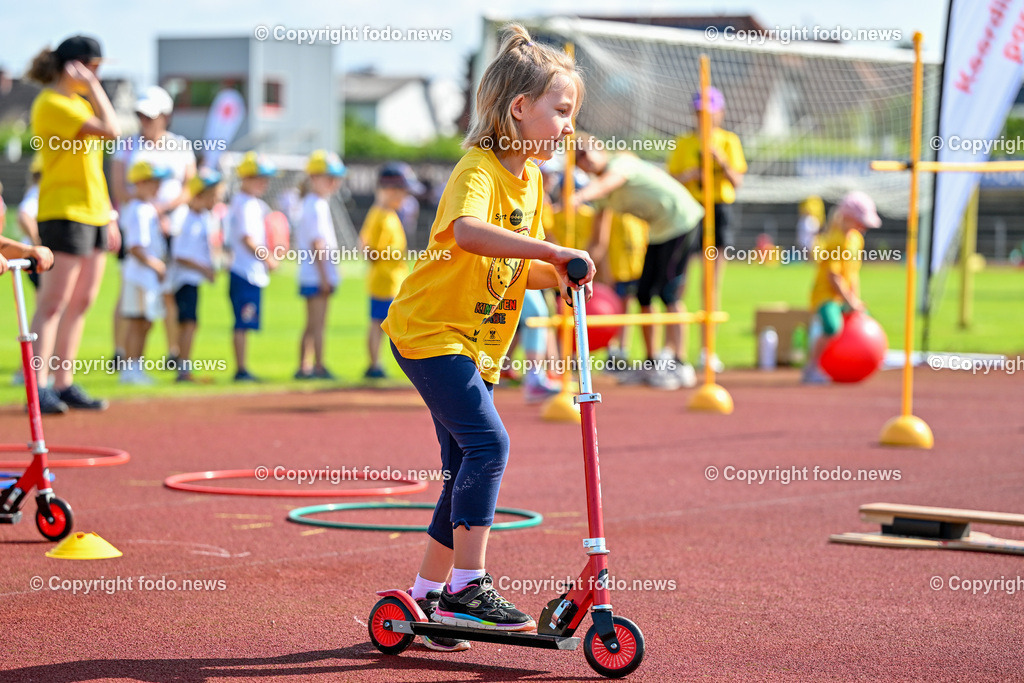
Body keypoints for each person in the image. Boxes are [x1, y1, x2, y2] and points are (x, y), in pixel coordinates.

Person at [382, 24, 593, 646]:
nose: (567, 127)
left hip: (476, 344)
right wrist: (555, 248)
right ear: (518, 109)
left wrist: (552, 274)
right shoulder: (478, 169)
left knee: (462, 466)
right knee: (489, 447)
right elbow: (470, 233)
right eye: (560, 111)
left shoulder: (532, 180)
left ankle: (426, 599)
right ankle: (468, 588)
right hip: (431, 332)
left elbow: (507, 264)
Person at [27, 35, 122, 414]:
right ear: (75, 66)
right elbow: (113, 131)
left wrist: (109, 214)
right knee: (53, 302)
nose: (95, 76)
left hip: (94, 212)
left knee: (82, 301)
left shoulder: (78, 104)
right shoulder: (52, 103)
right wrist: (96, 87)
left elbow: (95, 166)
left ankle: (64, 382)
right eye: (93, 67)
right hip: (64, 211)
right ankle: (39, 385)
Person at [573, 134, 705, 390]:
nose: (584, 161)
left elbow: (609, 183)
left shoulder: (621, 163)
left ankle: (679, 361)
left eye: (585, 153)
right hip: (657, 231)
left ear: (599, 148)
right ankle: (653, 360)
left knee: (669, 293)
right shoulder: (601, 192)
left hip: (681, 220)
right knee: (644, 294)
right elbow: (598, 240)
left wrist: (578, 197)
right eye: (578, 159)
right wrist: (579, 264)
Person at [112, 85, 197, 365]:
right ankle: (123, 354)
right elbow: (120, 191)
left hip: (172, 230)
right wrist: (148, 207)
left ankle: (172, 352)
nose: (145, 122)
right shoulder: (126, 145)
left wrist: (164, 209)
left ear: (166, 116)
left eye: (151, 116)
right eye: (142, 116)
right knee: (131, 293)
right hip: (139, 231)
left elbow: (189, 188)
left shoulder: (181, 145)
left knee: (168, 293)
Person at [667, 86, 747, 373]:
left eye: (708, 113)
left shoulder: (729, 141)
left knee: (711, 284)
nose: (703, 118)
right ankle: (674, 350)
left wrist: (719, 160)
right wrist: (691, 174)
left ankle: (707, 350)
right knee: (679, 281)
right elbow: (671, 180)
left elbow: (737, 181)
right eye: (699, 113)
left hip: (719, 211)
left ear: (719, 114)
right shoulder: (684, 142)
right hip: (690, 210)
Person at [804, 191, 881, 384]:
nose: (863, 227)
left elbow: (853, 274)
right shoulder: (836, 240)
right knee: (832, 326)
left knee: (865, 319)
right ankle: (811, 367)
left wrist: (855, 300)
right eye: (860, 222)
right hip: (826, 295)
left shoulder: (856, 240)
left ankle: (858, 363)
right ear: (848, 218)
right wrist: (849, 301)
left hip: (845, 296)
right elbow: (833, 277)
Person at [226, 152, 277, 382]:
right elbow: (248, 238)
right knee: (243, 322)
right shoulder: (245, 204)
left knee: (245, 322)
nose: (263, 182)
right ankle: (241, 368)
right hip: (244, 271)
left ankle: (243, 367)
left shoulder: (251, 203)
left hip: (249, 272)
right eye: (258, 177)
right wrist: (267, 258)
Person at [119, 161, 172, 385]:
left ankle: (137, 366)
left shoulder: (147, 208)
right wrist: (155, 264)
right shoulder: (138, 209)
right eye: (153, 182)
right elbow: (135, 246)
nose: (157, 187)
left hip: (146, 276)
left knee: (146, 322)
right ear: (140, 183)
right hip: (139, 276)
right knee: (137, 322)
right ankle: (130, 369)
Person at [295, 150, 345, 380]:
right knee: (319, 323)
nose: (333, 182)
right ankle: (318, 365)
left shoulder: (312, 202)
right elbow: (318, 243)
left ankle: (304, 365)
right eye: (328, 177)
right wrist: (326, 276)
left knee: (311, 323)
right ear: (314, 178)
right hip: (316, 274)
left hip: (312, 273)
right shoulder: (315, 205)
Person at [359, 163, 411, 380]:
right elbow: (368, 247)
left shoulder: (389, 213)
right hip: (384, 280)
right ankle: (374, 365)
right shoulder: (380, 214)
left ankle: (377, 364)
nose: (405, 197)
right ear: (389, 189)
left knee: (383, 323)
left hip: (392, 279)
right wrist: (388, 258)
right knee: (378, 323)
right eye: (402, 191)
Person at [171, 168, 222, 383]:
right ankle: (183, 368)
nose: (216, 201)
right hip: (185, 280)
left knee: (191, 323)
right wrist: (204, 269)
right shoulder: (188, 218)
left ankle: (185, 365)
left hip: (192, 279)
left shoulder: (203, 218)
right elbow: (180, 254)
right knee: (188, 323)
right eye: (213, 196)